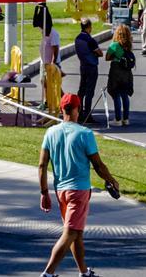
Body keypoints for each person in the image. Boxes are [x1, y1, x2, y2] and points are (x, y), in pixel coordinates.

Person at [39, 93, 118, 277]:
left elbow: (42, 165)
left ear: (61, 109)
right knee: (71, 232)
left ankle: (84, 272)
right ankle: (48, 273)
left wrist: (44, 193)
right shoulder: (85, 134)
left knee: (76, 233)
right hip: (79, 190)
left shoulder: (50, 132)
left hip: (60, 191)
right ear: (78, 109)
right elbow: (98, 165)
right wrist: (112, 180)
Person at [104, 25, 134, 128]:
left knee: (116, 94)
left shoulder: (114, 45)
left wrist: (114, 56)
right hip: (127, 73)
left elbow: (107, 57)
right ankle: (126, 118)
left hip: (116, 72)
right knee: (124, 95)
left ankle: (117, 119)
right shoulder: (128, 45)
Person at [73, 18, 102, 124]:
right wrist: (95, 54)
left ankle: (79, 112)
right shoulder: (90, 40)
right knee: (89, 92)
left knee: (81, 90)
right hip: (92, 66)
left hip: (83, 65)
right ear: (89, 27)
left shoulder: (77, 39)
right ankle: (87, 114)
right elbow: (99, 53)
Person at [37, 9, 63, 114]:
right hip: (44, 62)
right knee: (44, 82)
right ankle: (47, 101)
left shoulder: (53, 33)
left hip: (51, 64)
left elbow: (55, 49)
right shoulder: (44, 30)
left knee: (55, 86)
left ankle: (63, 102)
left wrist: (53, 64)